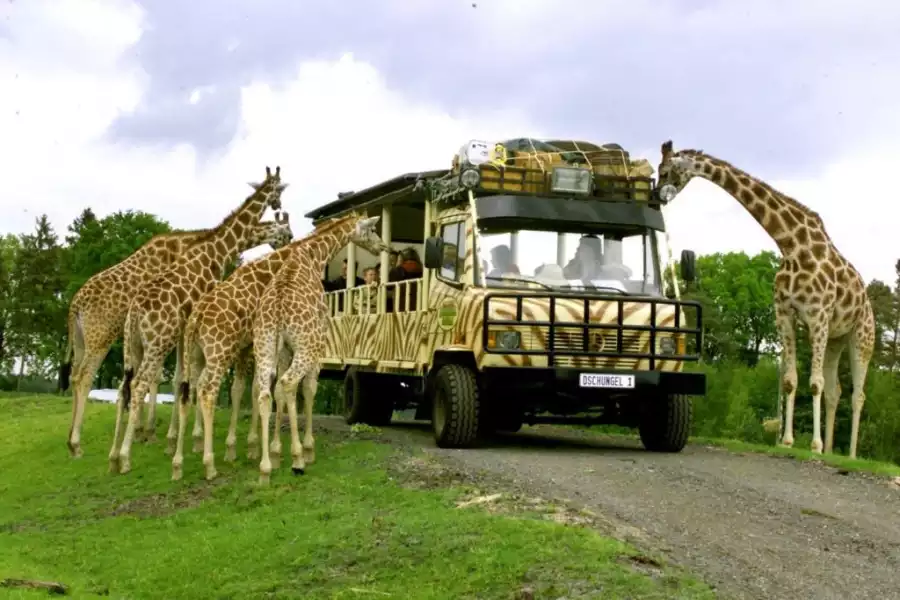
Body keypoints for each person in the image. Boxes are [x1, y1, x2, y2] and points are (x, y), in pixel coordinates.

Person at [388, 247, 423, 312]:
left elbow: (389, 287)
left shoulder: (397, 270)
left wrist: (397, 265)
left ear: (401, 258)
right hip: (419, 302)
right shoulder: (422, 270)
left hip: (401, 302)